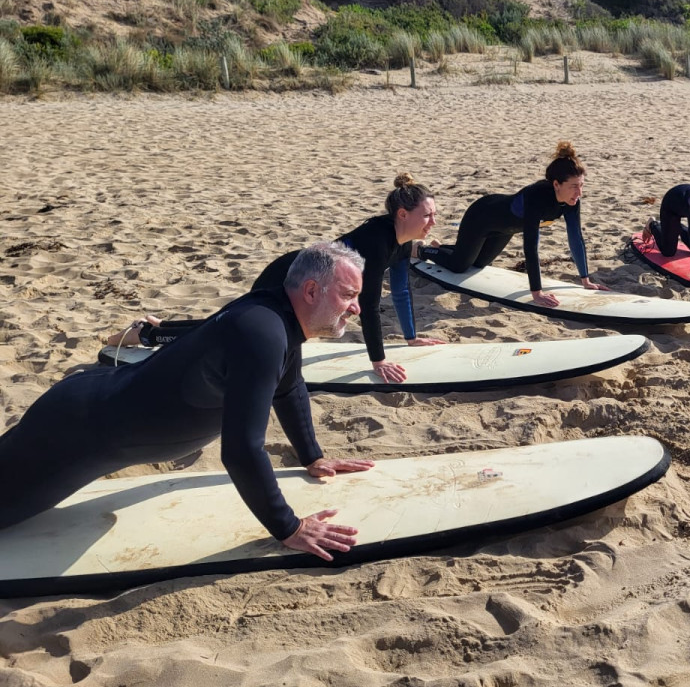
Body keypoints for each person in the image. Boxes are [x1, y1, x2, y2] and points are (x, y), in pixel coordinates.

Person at [0, 242, 374, 560]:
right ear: (311, 291)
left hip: (87, 411)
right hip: (75, 435)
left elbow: (288, 387)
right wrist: (289, 528)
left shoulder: (278, 320)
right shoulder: (263, 334)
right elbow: (242, 451)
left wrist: (312, 456)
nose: (356, 308)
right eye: (348, 295)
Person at [108, 173, 442, 384]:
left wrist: (411, 337)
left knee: (224, 327)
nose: (432, 222)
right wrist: (378, 361)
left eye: (434, 215)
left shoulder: (390, 238)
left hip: (302, 279)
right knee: (225, 336)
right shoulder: (376, 241)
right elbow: (368, 308)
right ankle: (147, 334)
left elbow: (399, 280)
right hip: (287, 281)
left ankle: (157, 326)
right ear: (402, 215)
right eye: (427, 215)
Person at [422, 141, 606, 308]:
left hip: (504, 229)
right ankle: (420, 250)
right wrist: (537, 292)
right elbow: (531, 246)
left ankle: (444, 248)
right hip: (481, 216)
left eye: (582, 185)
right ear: (557, 184)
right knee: (459, 266)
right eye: (574, 186)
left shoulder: (572, 201)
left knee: (479, 264)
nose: (579, 192)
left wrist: (585, 280)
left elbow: (575, 238)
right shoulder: (537, 197)